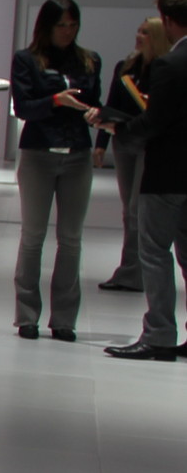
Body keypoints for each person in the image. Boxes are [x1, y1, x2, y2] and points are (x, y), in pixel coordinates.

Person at [9, 0, 102, 341]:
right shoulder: (27, 59)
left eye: (73, 24)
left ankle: (64, 319)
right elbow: (23, 106)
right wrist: (55, 100)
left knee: (71, 239)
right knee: (33, 237)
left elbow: (95, 101)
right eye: (61, 25)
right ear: (47, 26)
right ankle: (26, 316)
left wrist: (96, 114)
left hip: (77, 152)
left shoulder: (90, 60)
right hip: (38, 152)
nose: (67, 31)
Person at [108, 0, 187, 361]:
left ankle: (159, 335)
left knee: (155, 253)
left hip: (168, 173)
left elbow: (156, 121)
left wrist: (121, 129)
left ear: (169, 21)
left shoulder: (169, 65)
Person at [99, 15, 165, 293]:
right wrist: (101, 142)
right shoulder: (125, 67)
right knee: (129, 211)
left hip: (149, 144)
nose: (139, 36)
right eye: (138, 31)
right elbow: (112, 104)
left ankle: (135, 272)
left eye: (146, 33)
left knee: (138, 210)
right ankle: (129, 268)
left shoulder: (164, 69)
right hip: (123, 141)